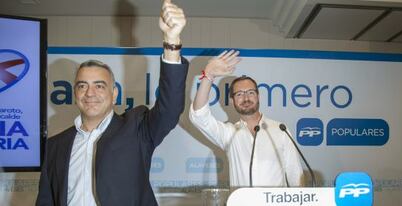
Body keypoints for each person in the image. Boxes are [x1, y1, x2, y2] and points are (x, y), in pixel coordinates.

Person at [36, 0, 188, 205]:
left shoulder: (136, 129)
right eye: (82, 86)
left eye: (99, 86)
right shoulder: (55, 146)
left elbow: (169, 108)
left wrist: (172, 41)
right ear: (74, 93)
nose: (90, 93)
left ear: (114, 93)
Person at [189, 50, 304, 187]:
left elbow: (295, 175)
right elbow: (199, 116)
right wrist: (208, 76)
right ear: (231, 101)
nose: (246, 98)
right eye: (239, 94)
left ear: (258, 96)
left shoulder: (280, 130)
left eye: (250, 92)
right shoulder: (229, 134)